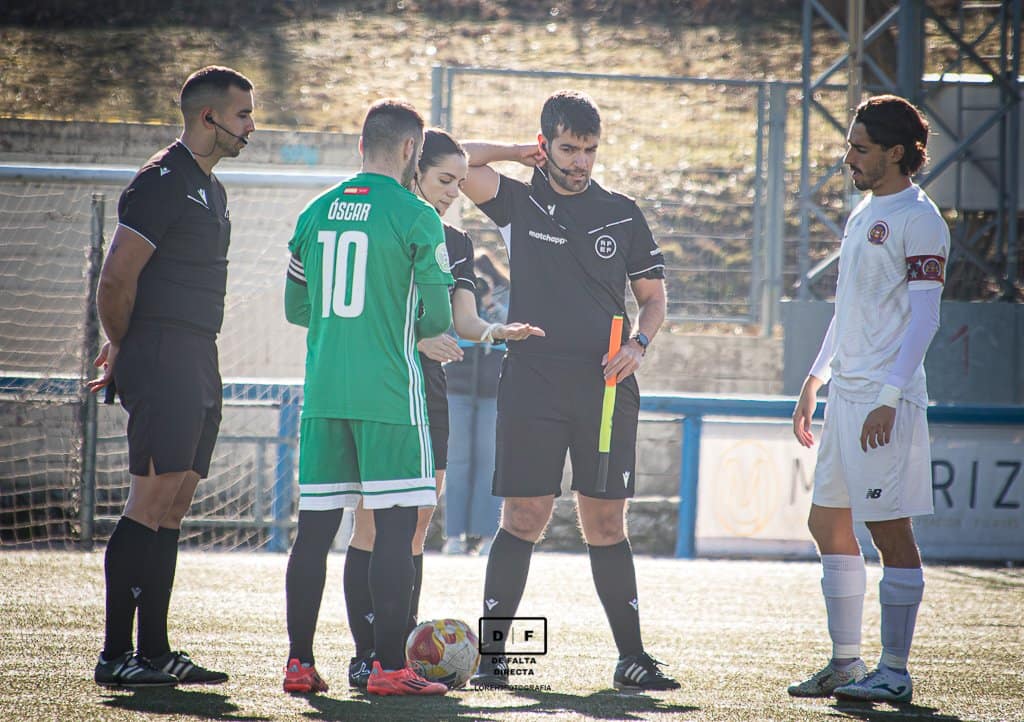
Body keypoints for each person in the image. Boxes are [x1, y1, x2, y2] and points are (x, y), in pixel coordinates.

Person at [460, 89, 679, 692]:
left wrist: (639, 344)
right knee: (524, 515)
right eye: (568, 149)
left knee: (605, 523)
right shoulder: (518, 200)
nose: (581, 162)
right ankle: (494, 658)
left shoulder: (622, 211)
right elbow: (451, 156)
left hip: (605, 388)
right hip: (531, 379)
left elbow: (654, 299)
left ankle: (632, 657)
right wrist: (513, 153)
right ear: (545, 145)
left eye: (589, 150)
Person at [342, 128, 544, 690]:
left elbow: (462, 321)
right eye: (445, 180)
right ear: (413, 170)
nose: (456, 191)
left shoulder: (456, 243)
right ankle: (367, 656)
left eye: (460, 180)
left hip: (429, 394)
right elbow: (362, 317)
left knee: (418, 523)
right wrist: (412, 339)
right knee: (371, 522)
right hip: (379, 388)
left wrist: (498, 331)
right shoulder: (380, 224)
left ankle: (399, 653)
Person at [87, 65, 255, 688]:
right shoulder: (160, 181)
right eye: (242, 115)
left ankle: (155, 653)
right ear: (209, 117)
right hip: (161, 354)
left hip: (196, 355)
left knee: (176, 503)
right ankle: (115, 656)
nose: (250, 127)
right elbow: (115, 279)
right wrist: (124, 346)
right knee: (150, 500)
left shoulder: (211, 188)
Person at [280, 102, 454, 697]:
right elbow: (439, 317)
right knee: (395, 529)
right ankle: (386, 669)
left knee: (314, 531)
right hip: (390, 398)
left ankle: (299, 663)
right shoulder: (417, 215)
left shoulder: (314, 211)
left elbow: (295, 309)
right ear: (411, 150)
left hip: (325, 392)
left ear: (363, 145)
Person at [788, 95, 948, 705]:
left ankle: (896, 671)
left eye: (859, 147)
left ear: (897, 153)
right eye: (849, 145)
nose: (847, 156)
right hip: (846, 396)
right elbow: (847, 310)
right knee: (826, 520)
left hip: (888, 400)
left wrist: (889, 395)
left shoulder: (921, 218)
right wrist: (814, 379)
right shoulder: (863, 211)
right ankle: (846, 663)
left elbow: (926, 320)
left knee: (888, 528)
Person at [442, 249, 512, 556]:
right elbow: (445, 327)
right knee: (456, 463)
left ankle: (486, 535)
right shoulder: (452, 290)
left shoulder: (507, 292)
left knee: (489, 463)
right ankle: (454, 535)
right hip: (456, 386)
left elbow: (510, 328)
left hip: (492, 390)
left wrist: (488, 302)